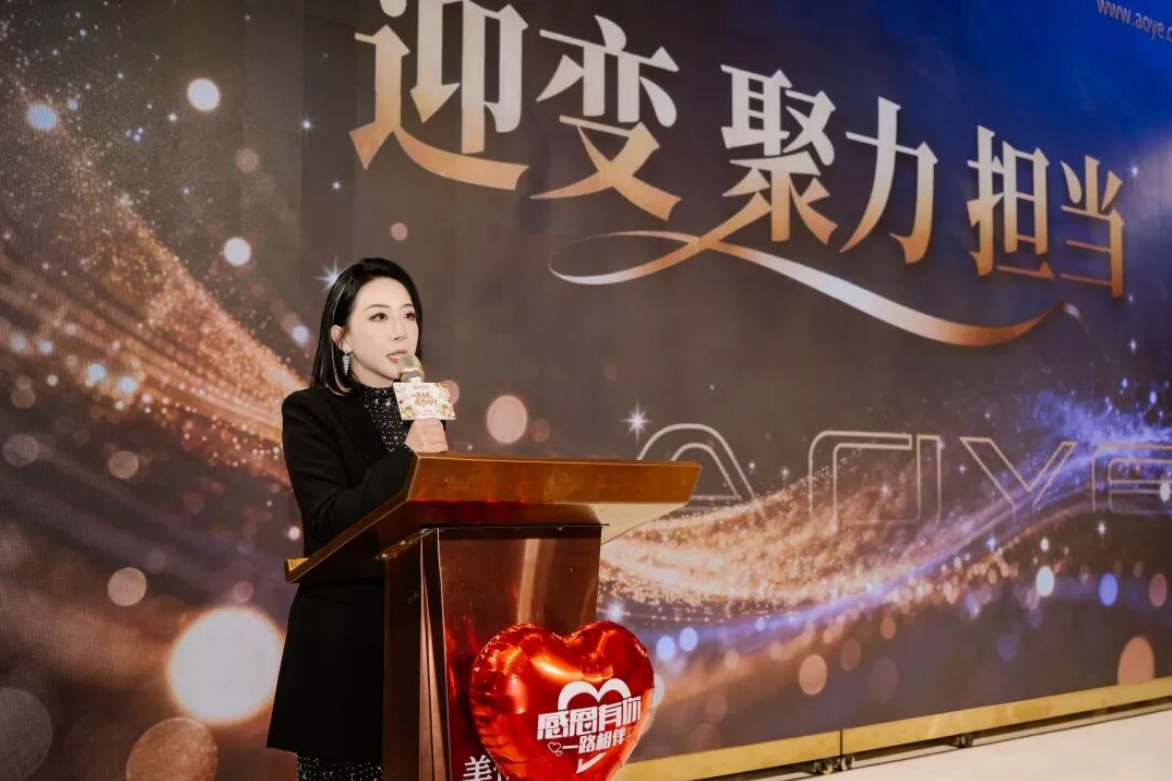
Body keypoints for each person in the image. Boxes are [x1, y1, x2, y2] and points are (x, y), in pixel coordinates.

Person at [267, 258, 449, 780]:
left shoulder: (424, 407)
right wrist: (407, 456)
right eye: (379, 316)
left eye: (409, 315)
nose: (401, 331)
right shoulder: (310, 411)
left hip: (421, 653)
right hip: (347, 659)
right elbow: (328, 521)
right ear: (341, 337)